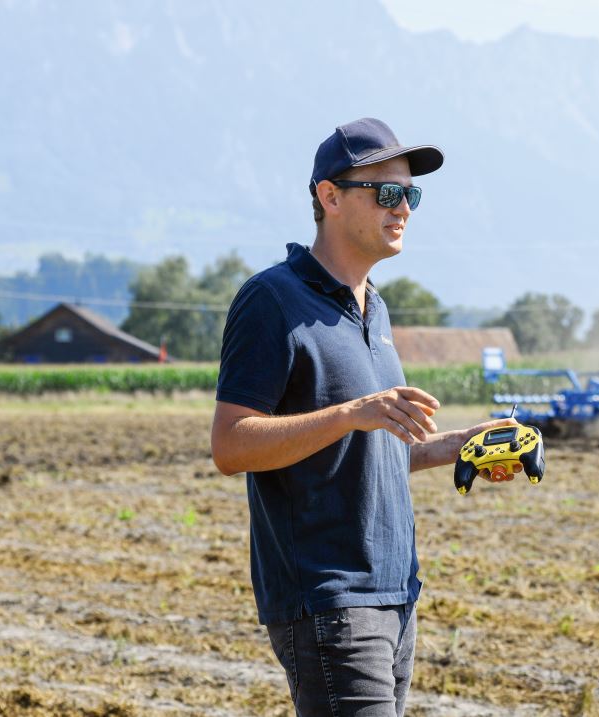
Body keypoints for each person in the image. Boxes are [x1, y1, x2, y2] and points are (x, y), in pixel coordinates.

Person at [210, 117, 516, 716]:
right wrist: (353, 412)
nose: (402, 208)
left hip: (396, 593)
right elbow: (231, 445)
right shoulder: (272, 300)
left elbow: (374, 450)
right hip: (329, 600)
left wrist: (460, 443)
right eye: (386, 192)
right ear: (328, 196)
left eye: (411, 195)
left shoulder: (374, 309)